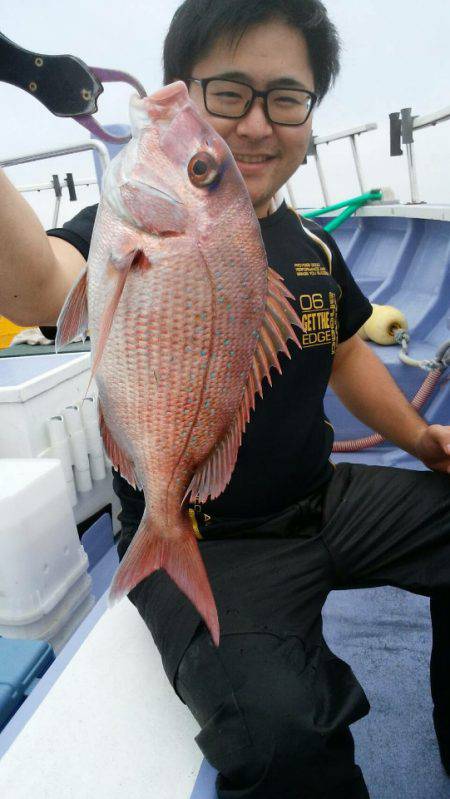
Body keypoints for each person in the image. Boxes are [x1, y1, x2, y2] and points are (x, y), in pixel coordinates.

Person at [1, 1, 449, 796]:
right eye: (228, 92)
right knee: (281, 743)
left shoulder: (312, 243)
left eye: (286, 97)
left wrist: (421, 441)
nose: (255, 124)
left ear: (310, 115)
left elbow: (345, 351)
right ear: (186, 91)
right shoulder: (122, 227)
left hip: (323, 497)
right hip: (205, 536)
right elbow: (35, 282)